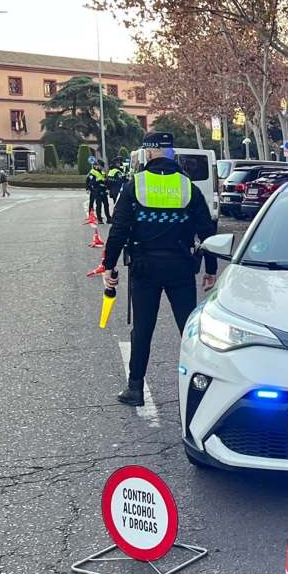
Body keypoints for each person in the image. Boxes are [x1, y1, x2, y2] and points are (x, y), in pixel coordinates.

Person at [104, 132, 218, 406]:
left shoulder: (136, 184)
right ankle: (204, 389)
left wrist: (109, 265)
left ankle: (135, 389)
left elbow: (118, 229)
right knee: (189, 330)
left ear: (149, 153)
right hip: (180, 266)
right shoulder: (188, 186)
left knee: (143, 329)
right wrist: (211, 269)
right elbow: (207, 231)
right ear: (171, 153)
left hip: (145, 267)